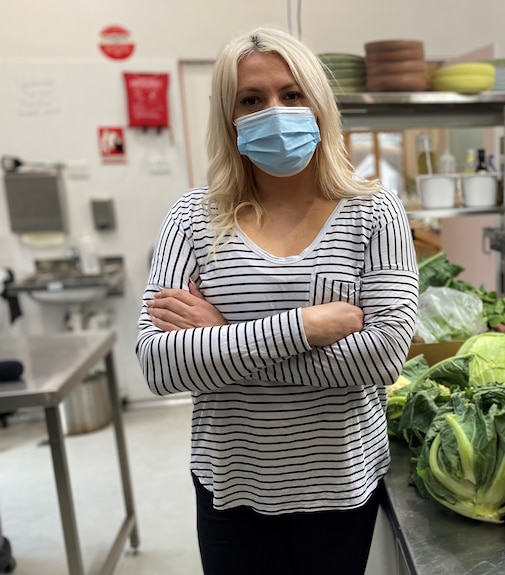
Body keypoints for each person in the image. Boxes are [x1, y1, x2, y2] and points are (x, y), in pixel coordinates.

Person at [136, 27, 419, 575]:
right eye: (251, 99)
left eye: (292, 95)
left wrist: (220, 338)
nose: (275, 111)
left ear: (318, 105)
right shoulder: (192, 217)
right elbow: (159, 365)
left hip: (339, 485)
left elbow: (384, 357)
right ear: (229, 116)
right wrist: (307, 327)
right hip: (231, 484)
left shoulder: (373, 210)